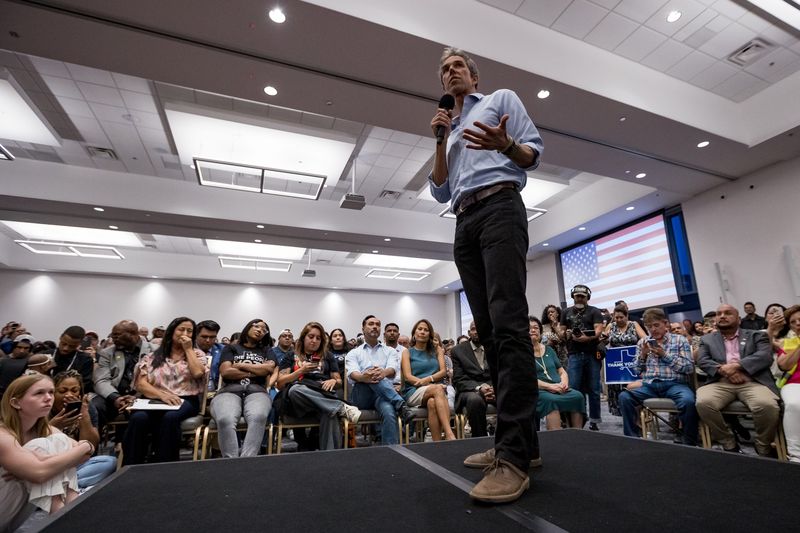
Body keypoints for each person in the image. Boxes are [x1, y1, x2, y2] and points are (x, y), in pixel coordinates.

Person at [428, 46, 543, 503]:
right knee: (491, 334)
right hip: (464, 221)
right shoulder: (449, 127)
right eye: (444, 70)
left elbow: (532, 155)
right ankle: (520, 444)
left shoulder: (501, 100)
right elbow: (439, 190)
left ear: (473, 75)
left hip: (500, 207)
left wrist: (507, 145)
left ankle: (513, 459)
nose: (449, 73)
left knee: (511, 328)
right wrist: (439, 139)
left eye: (457, 66)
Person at [0, 374, 94, 530]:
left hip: (15, 513)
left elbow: (85, 456)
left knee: (59, 442)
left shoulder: (46, 429)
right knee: (42, 446)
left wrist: (85, 447)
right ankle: (63, 508)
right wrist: (84, 446)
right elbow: (39, 473)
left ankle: (68, 503)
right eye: (39, 393)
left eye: (51, 392)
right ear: (16, 403)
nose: (48, 398)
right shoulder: (3, 435)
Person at [695, 304, 781, 456]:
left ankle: (763, 445)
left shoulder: (756, 335)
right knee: (703, 403)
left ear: (739, 319)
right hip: (720, 381)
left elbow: (765, 357)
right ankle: (728, 442)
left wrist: (737, 366)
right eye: (719, 313)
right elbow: (703, 360)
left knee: (767, 406)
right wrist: (725, 371)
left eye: (728, 313)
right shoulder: (707, 339)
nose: (722, 316)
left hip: (752, 381)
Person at [122, 317, 207, 465]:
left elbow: (198, 373)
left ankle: (165, 465)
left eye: (189, 331)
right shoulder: (153, 356)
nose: (185, 333)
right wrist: (162, 395)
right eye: (181, 329)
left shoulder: (197, 354)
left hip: (185, 400)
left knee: (170, 417)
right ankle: (132, 465)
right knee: (138, 418)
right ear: (171, 332)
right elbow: (141, 384)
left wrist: (188, 349)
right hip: (155, 399)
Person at [618, 308, 698, 445]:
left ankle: (689, 441)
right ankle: (632, 439)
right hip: (650, 385)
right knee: (624, 397)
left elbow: (688, 368)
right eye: (649, 327)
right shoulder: (643, 343)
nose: (653, 330)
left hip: (676, 384)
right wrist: (643, 355)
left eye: (656, 325)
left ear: (665, 323)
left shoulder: (679, 340)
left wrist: (664, 355)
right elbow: (636, 370)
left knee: (688, 402)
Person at [277, 322, 360, 450]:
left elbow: (338, 381)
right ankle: (341, 408)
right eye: (311, 337)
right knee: (295, 389)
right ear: (303, 337)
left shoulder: (327, 356)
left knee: (330, 413)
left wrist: (334, 381)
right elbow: (280, 383)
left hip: (322, 395)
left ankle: (331, 457)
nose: (314, 340)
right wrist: (300, 371)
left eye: (318, 338)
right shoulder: (291, 355)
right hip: (299, 400)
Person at [210, 319, 276, 458]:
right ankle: (231, 461)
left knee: (258, 417)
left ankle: (247, 460)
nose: (260, 330)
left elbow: (269, 368)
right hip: (229, 389)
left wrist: (239, 365)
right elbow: (226, 372)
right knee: (225, 419)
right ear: (248, 327)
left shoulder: (267, 350)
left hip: (257, 390)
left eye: (264, 330)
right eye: (257, 326)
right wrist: (257, 370)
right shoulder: (231, 348)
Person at [345, 315, 414, 445]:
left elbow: (392, 370)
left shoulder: (390, 351)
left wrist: (383, 373)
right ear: (363, 328)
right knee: (372, 373)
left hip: (382, 396)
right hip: (361, 396)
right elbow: (353, 374)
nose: (375, 326)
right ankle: (401, 405)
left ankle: (391, 451)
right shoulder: (354, 353)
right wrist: (363, 377)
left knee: (389, 411)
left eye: (377, 324)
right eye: (371, 324)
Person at [50, 370, 116, 487]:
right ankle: (70, 485)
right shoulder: (45, 407)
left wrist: (84, 415)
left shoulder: (87, 407)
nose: (69, 395)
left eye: (74, 390)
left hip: (75, 463)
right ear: (53, 393)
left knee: (109, 462)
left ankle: (64, 485)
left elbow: (90, 446)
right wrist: (53, 426)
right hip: (47, 464)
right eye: (62, 391)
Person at [400, 319, 455, 441]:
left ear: (430, 334)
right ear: (414, 333)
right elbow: (408, 376)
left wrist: (428, 379)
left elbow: (443, 371)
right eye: (420, 329)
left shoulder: (437, 350)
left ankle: (437, 443)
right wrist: (425, 383)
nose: (423, 332)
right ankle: (449, 434)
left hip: (434, 390)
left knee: (432, 403)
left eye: (426, 330)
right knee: (438, 388)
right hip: (413, 390)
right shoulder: (407, 352)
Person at [92, 320, 153, 429]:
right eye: (112, 335)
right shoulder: (107, 353)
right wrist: (115, 397)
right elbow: (101, 380)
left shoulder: (154, 350)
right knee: (94, 406)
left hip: (144, 395)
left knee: (144, 414)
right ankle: (92, 443)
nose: (112, 338)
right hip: (114, 395)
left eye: (116, 335)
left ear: (133, 334)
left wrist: (136, 396)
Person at [561, 284, 604, 431]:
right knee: (574, 389)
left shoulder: (595, 311)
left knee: (594, 388)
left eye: (582, 296)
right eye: (577, 295)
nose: (579, 298)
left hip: (592, 353)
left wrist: (588, 337)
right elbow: (561, 332)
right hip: (573, 354)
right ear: (573, 296)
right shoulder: (565, 312)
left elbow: (599, 329)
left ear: (587, 297)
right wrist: (566, 333)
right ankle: (576, 419)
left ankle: (595, 420)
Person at [529, 317, 584, 430]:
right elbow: (527, 378)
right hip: (540, 390)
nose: (533, 330)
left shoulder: (549, 350)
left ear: (540, 331)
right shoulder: (522, 353)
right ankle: (556, 441)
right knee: (551, 401)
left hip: (559, 387)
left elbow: (561, 371)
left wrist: (564, 383)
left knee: (578, 396)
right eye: (529, 328)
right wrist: (551, 386)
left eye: (536, 328)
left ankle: (577, 436)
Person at [451, 321, 493, 438]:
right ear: (469, 332)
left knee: (510, 395)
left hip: (492, 388)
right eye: (474, 329)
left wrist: (493, 389)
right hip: (469, 390)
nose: (477, 332)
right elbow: (458, 379)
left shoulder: (493, 348)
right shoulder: (458, 351)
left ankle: (507, 441)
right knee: (475, 400)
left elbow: (499, 374)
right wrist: (479, 388)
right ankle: (480, 440)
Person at [604, 306, 647, 416]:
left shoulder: (634, 324)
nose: (618, 320)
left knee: (634, 389)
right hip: (616, 365)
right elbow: (602, 342)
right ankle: (626, 416)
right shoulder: (610, 326)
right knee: (618, 390)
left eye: (621, 317)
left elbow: (645, 339)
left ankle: (637, 416)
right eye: (616, 317)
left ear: (627, 316)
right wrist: (604, 338)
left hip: (633, 363)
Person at [776, 305, 800, 462]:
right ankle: (796, 454)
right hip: (794, 383)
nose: (798, 323)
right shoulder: (787, 343)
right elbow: (784, 365)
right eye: (793, 322)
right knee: (794, 404)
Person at [49, 326, 94, 393]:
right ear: (60, 338)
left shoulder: (85, 360)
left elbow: (85, 385)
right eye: (63, 343)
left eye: (72, 346)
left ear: (79, 344)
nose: (65, 348)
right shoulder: (45, 355)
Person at [0, 334, 34, 398]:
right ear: (14, 347)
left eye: (26, 348)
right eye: (19, 347)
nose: (22, 351)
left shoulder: (32, 362)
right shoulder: (3, 361)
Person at [195, 320, 224, 391]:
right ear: (196, 335)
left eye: (212, 337)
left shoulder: (223, 350)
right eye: (204, 337)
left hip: (215, 392)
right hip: (192, 391)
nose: (208, 340)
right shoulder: (188, 350)